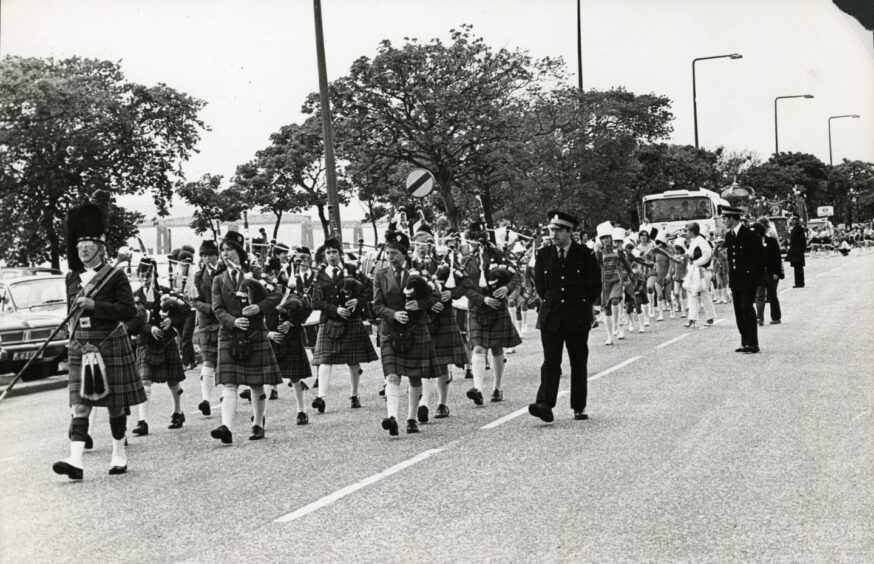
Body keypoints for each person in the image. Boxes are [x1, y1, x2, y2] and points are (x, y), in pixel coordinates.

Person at [53, 192, 146, 480]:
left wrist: (96, 305)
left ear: (100, 246)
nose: (82, 248)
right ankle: (76, 460)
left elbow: (127, 311)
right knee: (80, 405)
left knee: (115, 405)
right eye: (79, 243)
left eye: (88, 243)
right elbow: (72, 311)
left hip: (109, 342)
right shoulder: (71, 278)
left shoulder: (114, 276)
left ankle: (119, 452)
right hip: (81, 345)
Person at [209, 231, 283, 444]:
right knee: (229, 383)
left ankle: (258, 423)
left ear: (239, 251)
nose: (224, 254)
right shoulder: (218, 280)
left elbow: (276, 293)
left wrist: (258, 308)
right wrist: (233, 321)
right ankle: (226, 428)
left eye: (228, 250)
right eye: (222, 250)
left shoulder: (254, 274)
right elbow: (217, 308)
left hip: (254, 332)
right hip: (229, 334)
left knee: (256, 383)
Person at [528, 211, 601, 423]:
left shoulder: (584, 254)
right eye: (551, 230)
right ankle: (545, 404)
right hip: (551, 316)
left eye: (558, 230)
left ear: (570, 231)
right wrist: (550, 303)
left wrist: (582, 305)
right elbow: (541, 286)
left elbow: (594, 284)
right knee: (550, 361)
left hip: (576, 316)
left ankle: (578, 406)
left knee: (578, 361)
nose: (553, 234)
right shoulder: (544, 255)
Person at [373, 233, 442, 435]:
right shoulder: (380, 274)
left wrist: (419, 304)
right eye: (388, 253)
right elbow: (377, 305)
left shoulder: (418, 272)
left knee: (414, 377)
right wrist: (394, 314)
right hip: (390, 330)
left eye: (394, 253)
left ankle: (411, 418)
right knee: (392, 376)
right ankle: (392, 418)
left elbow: (436, 296)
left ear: (404, 254)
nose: (390, 257)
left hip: (415, 329)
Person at [310, 237, 378, 412]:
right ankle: (321, 397)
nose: (331, 256)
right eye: (328, 253)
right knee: (325, 360)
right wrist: (335, 310)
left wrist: (357, 300)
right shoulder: (320, 275)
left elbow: (370, 289)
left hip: (351, 321)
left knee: (353, 360)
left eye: (334, 252)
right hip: (330, 321)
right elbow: (316, 301)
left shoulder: (352, 271)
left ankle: (354, 394)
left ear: (340, 254)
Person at [459, 222, 522, 405]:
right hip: (477, 306)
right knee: (478, 347)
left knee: (496, 348)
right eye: (469, 239)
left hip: (496, 307)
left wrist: (506, 288)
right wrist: (481, 299)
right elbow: (463, 286)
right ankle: (478, 389)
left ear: (482, 239)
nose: (471, 243)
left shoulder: (498, 255)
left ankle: (498, 387)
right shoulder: (465, 260)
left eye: (474, 239)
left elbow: (515, 276)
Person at [130, 257, 187, 436]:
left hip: (166, 342)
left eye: (147, 275)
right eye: (142, 275)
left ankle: (178, 412)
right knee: (144, 381)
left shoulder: (166, 292)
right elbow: (132, 320)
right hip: (145, 342)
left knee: (173, 380)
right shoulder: (135, 296)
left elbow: (184, 311)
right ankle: (142, 421)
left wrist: (172, 320)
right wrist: (149, 328)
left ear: (154, 275)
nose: (144, 278)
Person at [723, 207, 764, 353]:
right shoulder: (729, 236)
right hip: (736, 279)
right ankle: (745, 341)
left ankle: (753, 343)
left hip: (748, 278)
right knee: (739, 311)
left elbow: (759, 257)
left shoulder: (750, 234)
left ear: (732, 219)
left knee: (746, 307)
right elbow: (731, 259)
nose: (723, 221)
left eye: (725, 219)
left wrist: (758, 278)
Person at [191, 240, 223, 416]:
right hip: (207, 322)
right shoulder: (197, 276)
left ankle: (226, 395)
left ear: (216, 255)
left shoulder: (226, 271)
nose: (207, 258)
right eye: (203, 255)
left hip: (224, 321)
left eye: (210, 254)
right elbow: (194, 300)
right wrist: (211, 308)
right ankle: (206, 400)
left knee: (225, 360)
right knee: (208, 360)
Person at [681, 222, 716, 329]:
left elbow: (708, 255)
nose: (686, 233)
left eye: (687, 231)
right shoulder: (694, 241)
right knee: (692, 293)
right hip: (694, 270)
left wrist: (696, 263)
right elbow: (689, 253)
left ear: (692, 232)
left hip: (702, 270)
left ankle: (710, 317)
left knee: (704, 293)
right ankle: (692, 319)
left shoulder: (701, 240)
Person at [753, 221, 783, 326]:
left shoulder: (772, 241)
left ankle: (776, 317)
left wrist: (776, 272)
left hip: (771, 272)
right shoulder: (753, 244)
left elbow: (777, 258)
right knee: (759, 296)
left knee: (772, 295)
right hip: (759, 273)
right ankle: (759, 318)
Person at [786, 216, 807, 288]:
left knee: (799, 267)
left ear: (797, 221)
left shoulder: (799, 229)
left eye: (794, 220)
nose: (793, 221)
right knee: (796, 267)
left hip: (798, 250)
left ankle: (800, 283)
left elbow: (803, 240)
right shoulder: (793, 229)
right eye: (792, 220)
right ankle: (797, 282)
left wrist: (802, 249)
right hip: (794, 250)